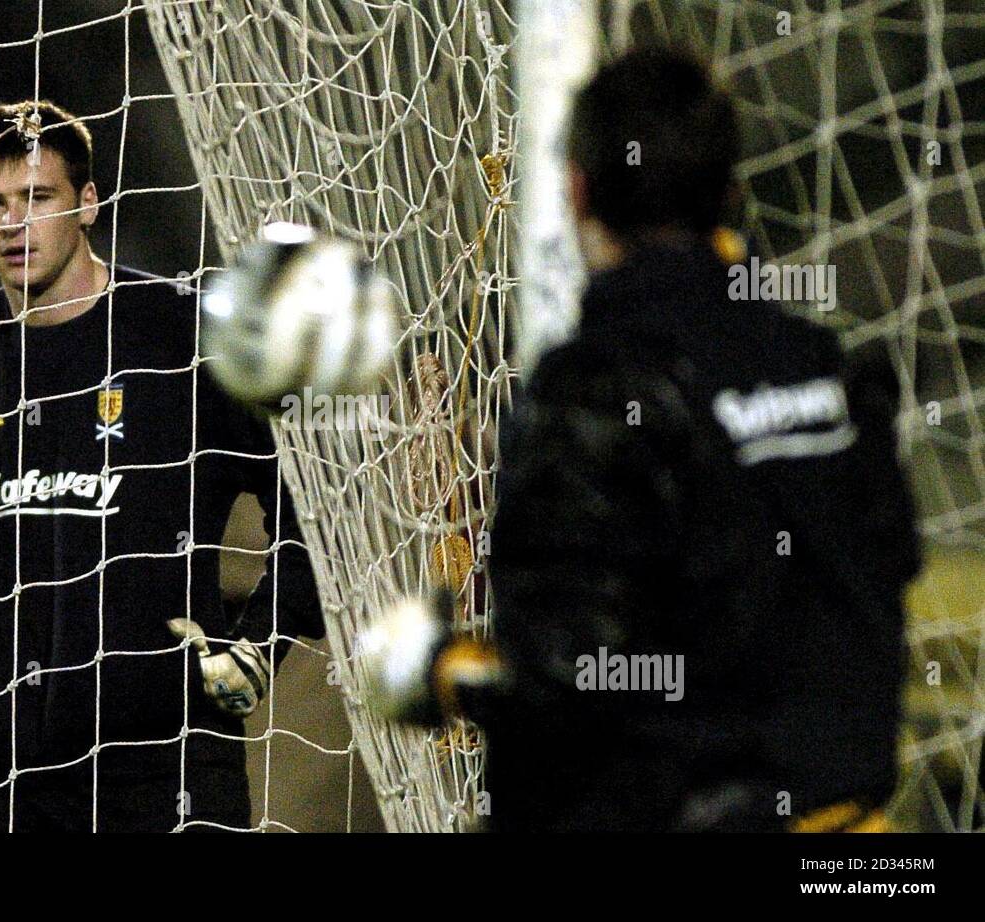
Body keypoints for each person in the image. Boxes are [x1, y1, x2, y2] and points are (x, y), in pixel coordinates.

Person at [362, 47, 922, 832]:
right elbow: (877, 581)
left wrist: (442, 674)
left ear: (578, 190)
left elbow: (575, 679)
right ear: (728, 190)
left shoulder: (598, 391)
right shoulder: (827, 370)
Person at [0, 100, 323, 832]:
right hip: (14, 765)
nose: (13, 225)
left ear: (88, 204)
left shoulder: (189, 333)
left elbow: (310, 498)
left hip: (171, 760)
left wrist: (263, 638)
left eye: (37, 198)